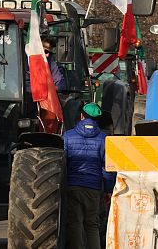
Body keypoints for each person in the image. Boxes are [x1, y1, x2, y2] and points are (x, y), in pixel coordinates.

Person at [63, 102, 115, 249]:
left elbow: (63, 163)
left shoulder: (68, 136)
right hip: (93, 188)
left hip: (73, 186)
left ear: (81, 116)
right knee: (92, 224)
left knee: (75, 223)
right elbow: (108, 168)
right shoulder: (104, 139)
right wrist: (108, 189)